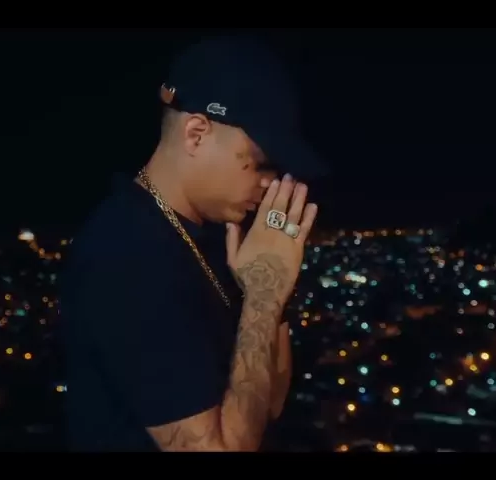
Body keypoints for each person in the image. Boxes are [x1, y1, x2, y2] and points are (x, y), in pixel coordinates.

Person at [61, 35, 328, 452]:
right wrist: (263, 296)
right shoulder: (129, 254)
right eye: (260, 164)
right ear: (196, 134)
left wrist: (271, 293)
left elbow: (267, 404)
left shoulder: (213, 240)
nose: (270, 184)